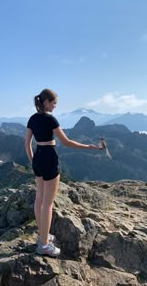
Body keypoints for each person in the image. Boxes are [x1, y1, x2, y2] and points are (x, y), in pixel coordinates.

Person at [25, 88, 101, 257]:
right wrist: (89, 147)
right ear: (46, 102)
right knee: (48, 203)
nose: (55, 106)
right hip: (50, 158)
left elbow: (27, 144)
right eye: (54, 103)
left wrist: (33, 161)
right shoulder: (50, 119)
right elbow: (67, 142)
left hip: (38, 158)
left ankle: (42, 235)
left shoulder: (32, 119)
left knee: (39, 200)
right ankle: (44, 244)